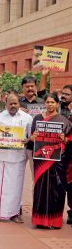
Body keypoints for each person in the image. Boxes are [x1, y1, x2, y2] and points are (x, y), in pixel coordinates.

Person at [0, 94, 32, 223]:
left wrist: (27, 139)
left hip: (19, 157)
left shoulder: (27, 118)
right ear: (5, 104)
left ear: (19, 104)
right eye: (10, 103)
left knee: (16, 187)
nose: (13, 106)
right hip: (2, 156)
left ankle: (14, 213)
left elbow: (30, 136)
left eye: (15, 103)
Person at [30, 93, 71, 229]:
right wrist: (33, 137)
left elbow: (68, 141)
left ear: (57, 104)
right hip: (40, 160)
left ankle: (54, 221)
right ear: (45, 104)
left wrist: (63, 138)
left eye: (53, 102)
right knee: (40, 189)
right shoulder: (37, 118)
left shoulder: (64, 121)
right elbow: (31, 138)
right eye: (47, 102)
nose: (50, 104)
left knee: (56, 190)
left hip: (56, 161)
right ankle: (40, 220)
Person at [60, 85, 72, 225]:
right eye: (63, 93)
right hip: (57, 153)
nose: (64, 96)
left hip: (70, 152)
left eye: (67, 94)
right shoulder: (57, 107)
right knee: (62, 183)